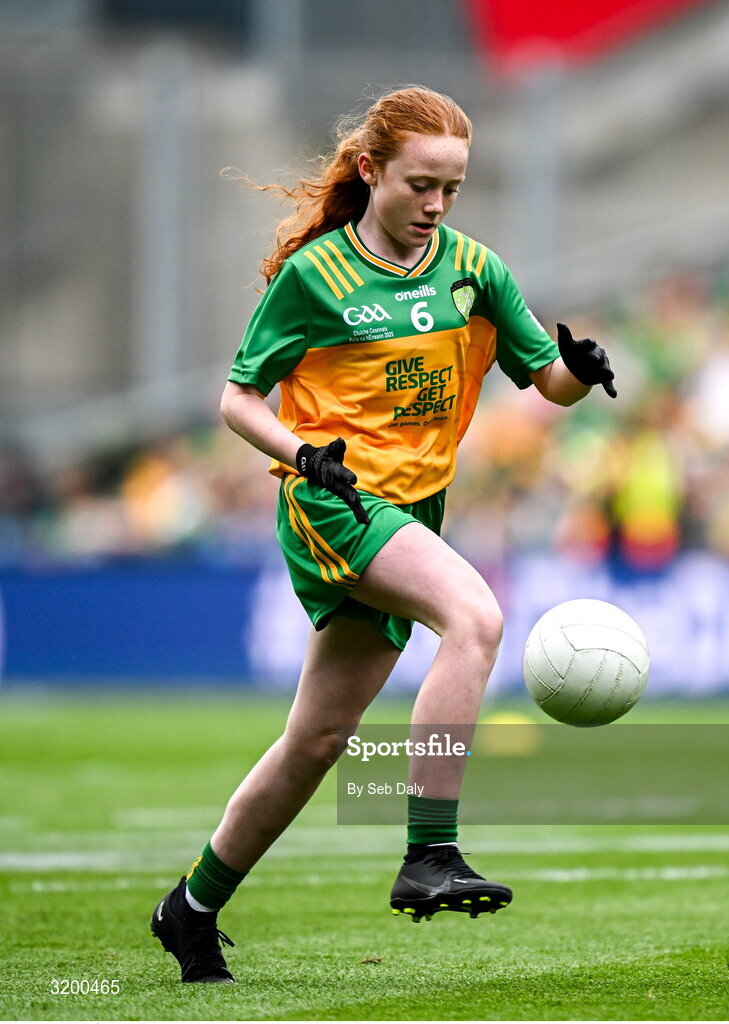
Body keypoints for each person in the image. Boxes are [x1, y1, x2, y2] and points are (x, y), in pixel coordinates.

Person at [150, 85, 616, 984]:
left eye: (452, 188)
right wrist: (302, 455)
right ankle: (428, 853)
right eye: (419, 185)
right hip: (335, 499)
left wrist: (577, 370)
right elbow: (236, 398)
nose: (435, 206)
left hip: (413, 508)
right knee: (474, 620)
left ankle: (191, 907)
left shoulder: (474, 270)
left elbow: (540, 381)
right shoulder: (314, 277)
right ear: (370, 170)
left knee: (318, 741)